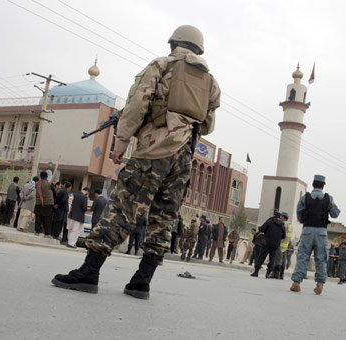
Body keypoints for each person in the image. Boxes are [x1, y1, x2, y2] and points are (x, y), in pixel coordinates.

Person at [52, 25, 220, 300]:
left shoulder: (161, 65)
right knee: (163, 219)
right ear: (199, 49)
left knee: (122, 208)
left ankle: (89, 272)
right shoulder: (211, 82)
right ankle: (141, 282)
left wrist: (120, 144)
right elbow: (209, 125)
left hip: (153, 151)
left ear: (173, 43)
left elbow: (136, 106)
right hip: (184, 158)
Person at [290, 174, 340, 295]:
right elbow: (335, 214)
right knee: (321, 258)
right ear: (323, 186)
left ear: (313, 185)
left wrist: (303, 221)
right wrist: (331, 203)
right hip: (321, 232)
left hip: (307, 230)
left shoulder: (305, 198)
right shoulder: (328, 199)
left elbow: (299, 212)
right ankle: (320, 285)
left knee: (303, 256)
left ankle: (296, 283)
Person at [251, 211, 285, 278]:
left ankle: (256, 272)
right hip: (275, 245)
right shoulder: (282, 224)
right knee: (272, 259)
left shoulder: (270, 221)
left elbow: (262, 229)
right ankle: (268, 273)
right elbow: (284, 236)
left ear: (274, 215)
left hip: (266, 242)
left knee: (261, 257)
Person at [271, 212, 293, 279]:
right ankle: (281, 275)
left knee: (277, 260)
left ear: (283, 217)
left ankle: (275, 274)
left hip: (280, 244)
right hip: (285, 245)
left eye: (281, 217)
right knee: (283, 261)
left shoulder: (283, 224)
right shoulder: (290, 225)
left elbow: (280, 234)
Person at [34, 172, 54, 237]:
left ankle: (37, 231)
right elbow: (54, 192)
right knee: (47, 219)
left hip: (38, 203)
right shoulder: (50, 184)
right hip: (48, 204)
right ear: (47, 177)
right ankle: (47, 233)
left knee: (38, 218)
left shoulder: (37, 184)